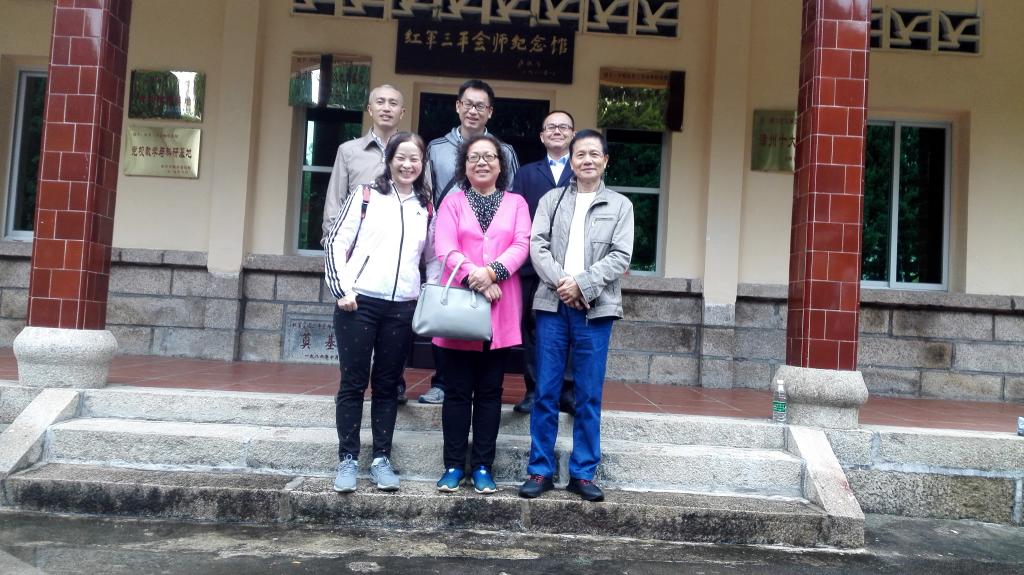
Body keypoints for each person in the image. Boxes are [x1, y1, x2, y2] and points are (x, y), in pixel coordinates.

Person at [518, 129, 634, 503]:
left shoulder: (621, 205)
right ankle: (540, 469)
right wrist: (562, 284)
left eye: (593, 154)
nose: (586, 160)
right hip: (552, 306)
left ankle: (583, 473)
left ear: (605, 160)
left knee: (587, 394)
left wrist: (582, 285)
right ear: (571, 160)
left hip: (595, 310)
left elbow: (621, 256)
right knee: (546, 391)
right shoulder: (552, 200)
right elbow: (537, 246)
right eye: (579, 154)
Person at [324, 132, 441, 493]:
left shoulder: (426, 206)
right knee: (354, 382)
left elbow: (433, 258)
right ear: (389, 160)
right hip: (359, 303)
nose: (407, 165)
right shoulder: (366, 195)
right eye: (401, 157)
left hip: (402, 307)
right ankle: (347, 458)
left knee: (388, 385)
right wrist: (343, 290)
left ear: (423, 165)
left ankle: (381, 459)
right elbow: (336, 242)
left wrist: (428, 295)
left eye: (415, 159)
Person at [432, 134, 531, 494]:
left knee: (490, 392)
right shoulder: (452, 202)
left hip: (500, 310)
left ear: (501, 165)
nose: (482, 162)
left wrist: (492, 273)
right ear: (464, 165)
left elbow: (522, 244)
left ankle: (483, 466)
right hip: (460, 309)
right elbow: (444, 247)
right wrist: (476, 279)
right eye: (474, 157)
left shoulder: (517, 203)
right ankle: (453, 465)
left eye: (490, 156)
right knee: (457, 392)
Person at [419, 79, 521, 405]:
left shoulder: (504, 151)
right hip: (447, 242)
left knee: (483, 322)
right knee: (445, 307)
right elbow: (427, 194)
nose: (473, 111)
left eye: (480, 106)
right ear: (458, 106)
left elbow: (509, 203)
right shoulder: (436, 148)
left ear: (490, 111)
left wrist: (489, 273)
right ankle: (441, 380)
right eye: (468, 104)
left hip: (491, 250)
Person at [320, 84, 413, 404]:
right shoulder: (349, 151)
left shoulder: (413, 152)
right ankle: (352, 386)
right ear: (370, 109)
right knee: (355, 328)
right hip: (356, 262)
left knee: (395, 330)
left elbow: (424, 198)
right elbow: (335, 202)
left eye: (393, 103)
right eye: (380, 102)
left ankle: (395, 381)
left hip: (397, 258)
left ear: (402, 111)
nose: (387, 107)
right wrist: (335, 253)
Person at [510, 110, 577, 415]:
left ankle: (567, 391)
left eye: (563, 127)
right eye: (551, 127)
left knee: (570, 327)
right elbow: (517, 217)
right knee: (532, 328)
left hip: (571, 266)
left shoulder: (582, 169)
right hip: (531, 265)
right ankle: (534, 389)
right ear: (541, 136)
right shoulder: (526, 173)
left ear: (572, 134)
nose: (557, 131)